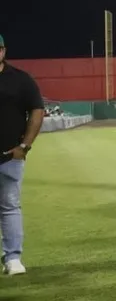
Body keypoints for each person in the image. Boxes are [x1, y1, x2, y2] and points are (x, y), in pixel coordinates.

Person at [0, 34, 44, 276]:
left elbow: (37, 110)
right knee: (10, 207)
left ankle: (13, 258)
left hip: (9, 156)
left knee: (9, 207)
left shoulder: (20, 79)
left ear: (4, 50)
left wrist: (24, 146)